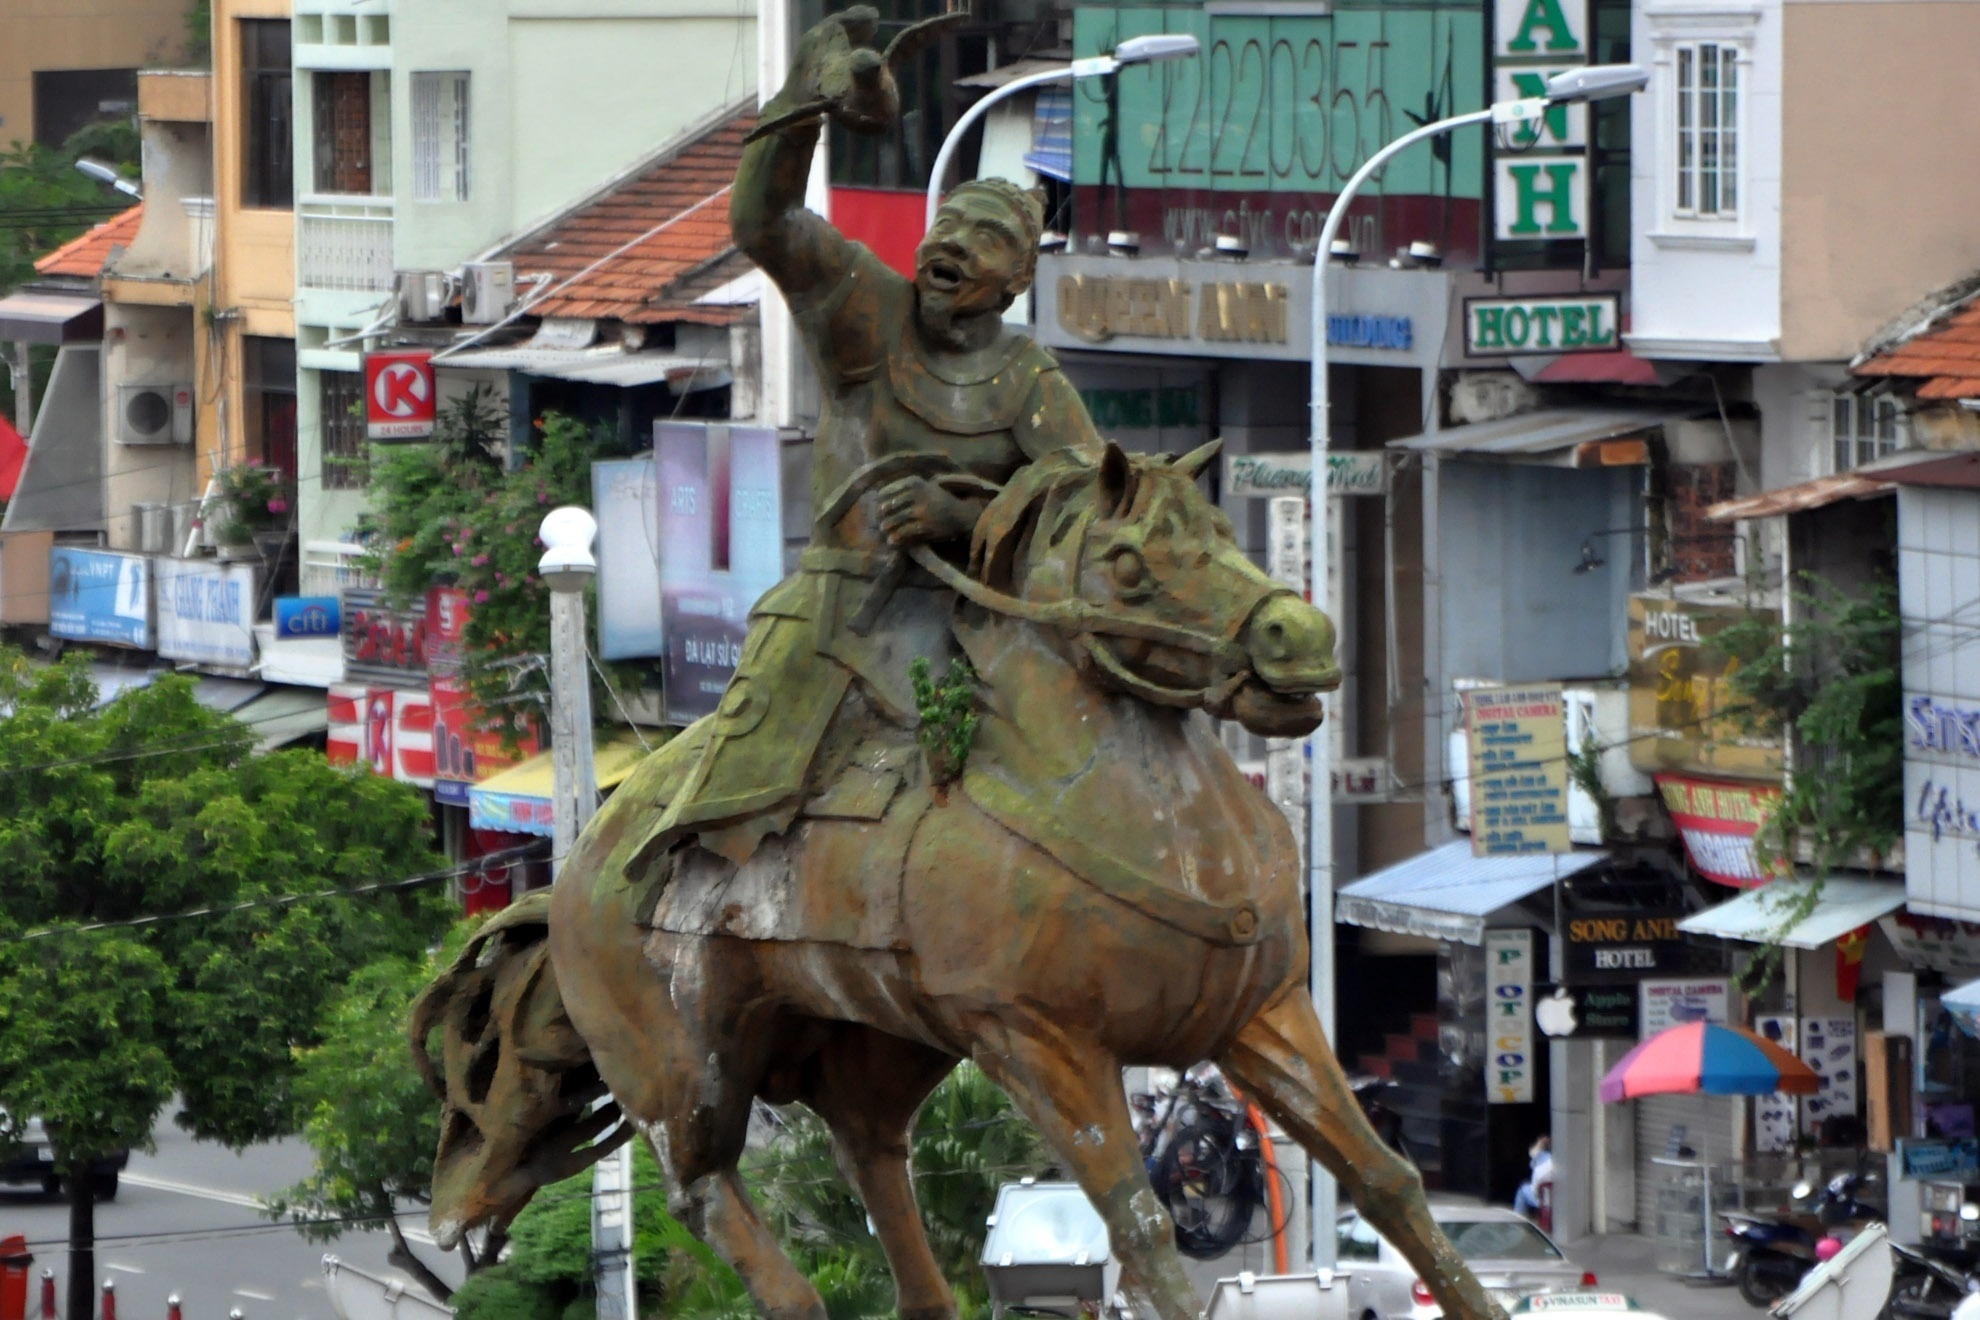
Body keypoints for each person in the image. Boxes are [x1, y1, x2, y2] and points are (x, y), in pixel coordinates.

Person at [634, 4, 1106, 867]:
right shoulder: (871, 312)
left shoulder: (1030, 377)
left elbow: (1093, 509)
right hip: (841, 615)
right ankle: (671, 898)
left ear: (1016, 280)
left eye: (987, 239)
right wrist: (805, 104)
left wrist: (966, 518)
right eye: (949, 226)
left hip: (980, 631)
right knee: (727, 799)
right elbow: (764, 225)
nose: (956, 245)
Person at [1514, 1135, 1552, 1219]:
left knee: (1522, 1190)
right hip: (1565, 1201)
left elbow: (1536, 1191)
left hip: (1547, 1202)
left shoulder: (1541, 1167)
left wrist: (1540, 1144)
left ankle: (1518, 1222)